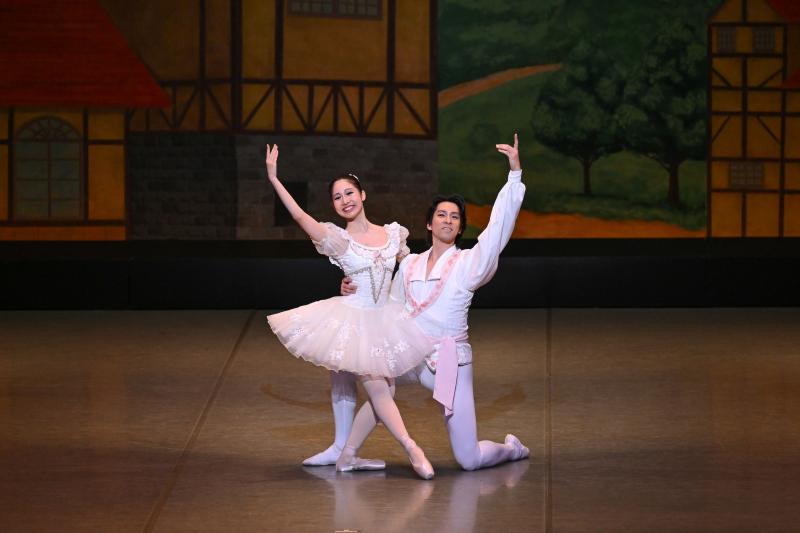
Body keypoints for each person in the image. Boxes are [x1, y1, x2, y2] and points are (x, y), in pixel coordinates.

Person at [336, 134, 530, 471]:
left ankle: (510, 449)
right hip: (409, 352)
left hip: (448, 360)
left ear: (460, 227)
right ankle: (347, 455)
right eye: (441, 214)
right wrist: (351, 289)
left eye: (455, 217)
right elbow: (385, 301)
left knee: (469, 460)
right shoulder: (410, 263)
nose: (448, 220)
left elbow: (497, 230)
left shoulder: (468, 264)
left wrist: (514, 177)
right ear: (429, 223)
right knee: (378, 383)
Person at [264, 144, 435, 479]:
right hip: (353, 318)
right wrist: (274, 179)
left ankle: (346, 454)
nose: (345, 200)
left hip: (384, 316)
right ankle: (410, 447)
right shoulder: (337, 239)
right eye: (337, 197)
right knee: (370, 384)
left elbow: (410, 271)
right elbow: (300, 217)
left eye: (349, 193)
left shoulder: (393, 234)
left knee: (383, 388)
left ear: (363, 194)